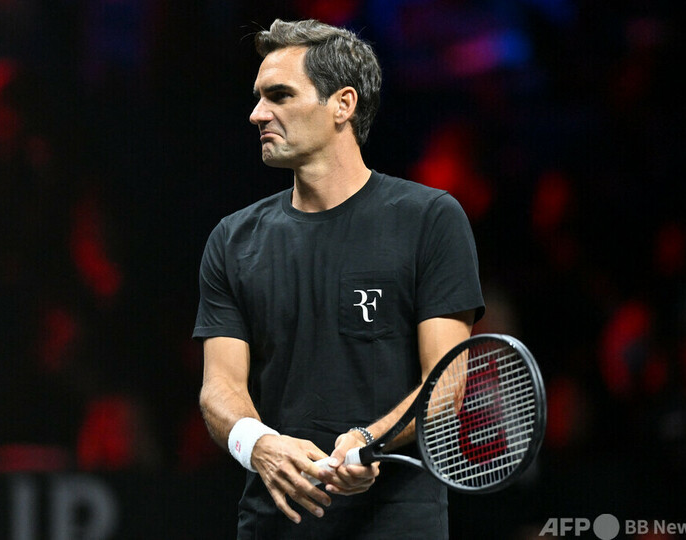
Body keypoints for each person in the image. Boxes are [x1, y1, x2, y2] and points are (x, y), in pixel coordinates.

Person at [193, 18, 485, 539]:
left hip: (395, 525)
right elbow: (220, 388)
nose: (258, 113)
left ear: (342, 105)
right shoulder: (232, 239)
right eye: (259, 97)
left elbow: (447, 384)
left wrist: (368, 440)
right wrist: (259, 444)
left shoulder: (430, 219)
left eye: (280, 95)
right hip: (274, 525)